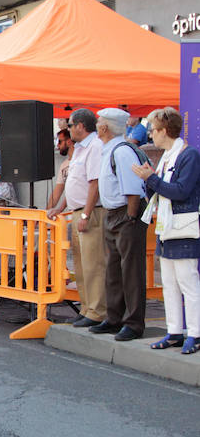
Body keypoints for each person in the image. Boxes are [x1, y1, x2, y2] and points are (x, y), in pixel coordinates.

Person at [132, 108, 200, 354]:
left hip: (184, 228)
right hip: (168, 227)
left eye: (153, 129)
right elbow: (160, 193)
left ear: (164, 130)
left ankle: (195, 333)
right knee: (170, 283)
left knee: (188, 282)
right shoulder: (169, 155)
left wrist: (151, 179)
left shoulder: (188, 155)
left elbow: (181, 190)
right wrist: (148, 180)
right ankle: (174, 331)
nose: (150, 133)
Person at [89, 108, 148, 341]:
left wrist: (131, 219)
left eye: (99, 122)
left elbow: (133, 190)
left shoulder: (121, 152)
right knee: (113, 269)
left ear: (105, 128)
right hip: (114, 213)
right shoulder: (110, 149)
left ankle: (133, 323)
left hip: (125, 214)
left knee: (131, 271)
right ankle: (114, 318)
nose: (97, 126)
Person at [48, 109, 106, 328]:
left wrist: (85, 214)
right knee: (81, 265)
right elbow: (73, 182)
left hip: (89, 211)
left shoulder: (95, 147)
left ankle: (97, 310)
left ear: (81, 125)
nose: (68, 128)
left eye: (70, 125)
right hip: (76, 210)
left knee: (93, 264)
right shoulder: (79, 149)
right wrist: (59, 207)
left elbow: (95, 184)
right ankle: (86, 307)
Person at [48, 129, 73, 210]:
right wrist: (45, 213)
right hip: (73, 210)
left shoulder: (80, 160)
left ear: (69, 141)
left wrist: (60, 208)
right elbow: (56, 193)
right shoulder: (64, 165)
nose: (58, 146)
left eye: (59, 141)